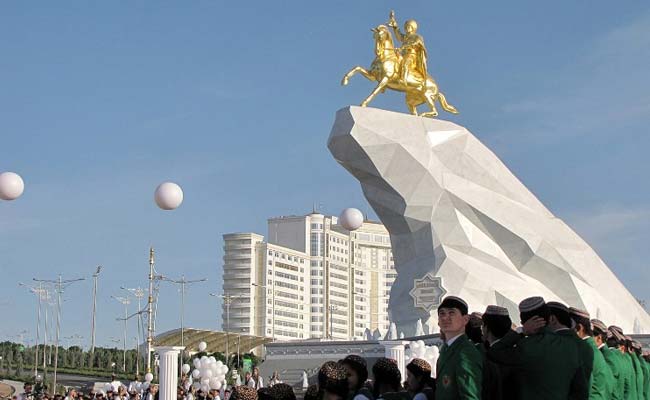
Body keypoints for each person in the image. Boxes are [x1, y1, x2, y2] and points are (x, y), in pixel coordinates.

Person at [435, 295, 482, 400]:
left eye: (451, 313)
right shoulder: (446, 349)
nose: (445, 317)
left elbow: (470, 396)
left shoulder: (466, 352)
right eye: (442, 313)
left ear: (465, 319)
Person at [569, 308, 613, 399]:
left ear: (578, 328)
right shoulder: (592, 350)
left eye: (569, 327)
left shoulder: (586, 350)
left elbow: (585, 387)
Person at [591, 319, 623, 399]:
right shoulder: (605, 353)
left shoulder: (607, 356)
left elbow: (608, 386)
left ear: (599, 338)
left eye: (590, 335)